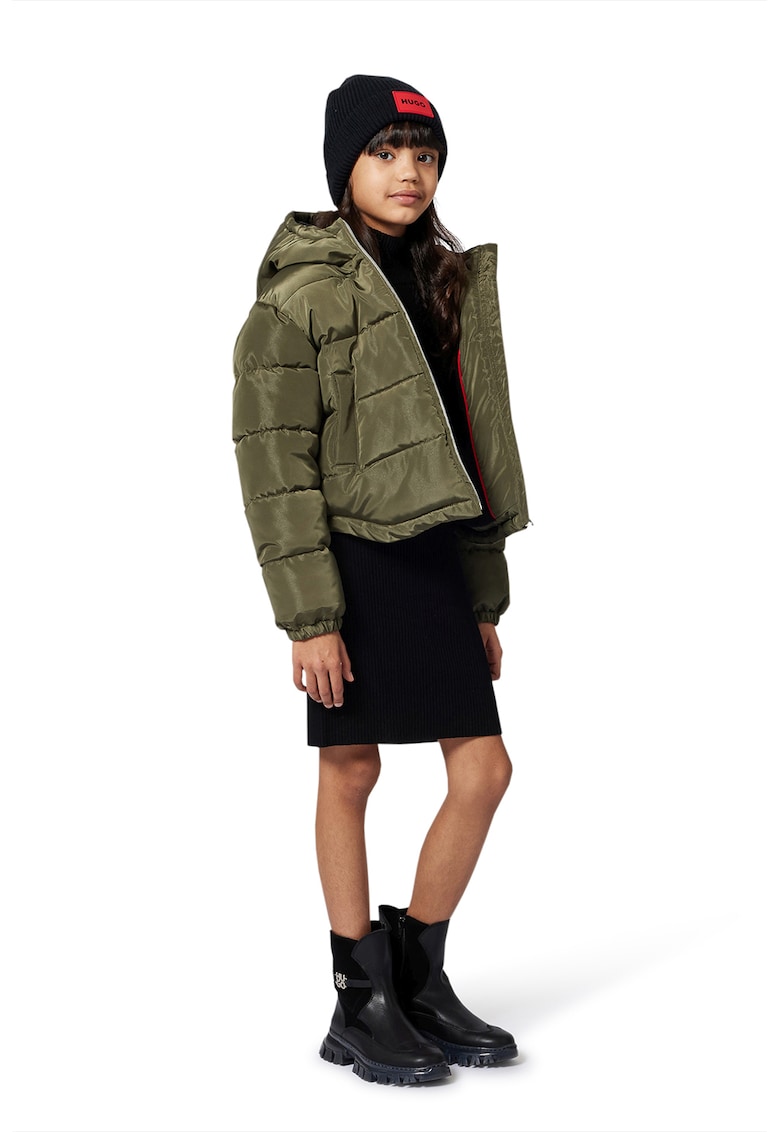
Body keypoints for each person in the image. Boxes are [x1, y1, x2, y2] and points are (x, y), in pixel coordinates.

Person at [232, 74, 530, 1086]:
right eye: (386, 151)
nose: (409, 172)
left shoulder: (446, 281)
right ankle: (358, 1001)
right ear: (345, 167)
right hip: (351, 560)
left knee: (483, 769)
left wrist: (481, 596)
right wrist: (309, 618)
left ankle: (416, 972)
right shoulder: (301, 294)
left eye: (425, 153)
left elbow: (472, 452)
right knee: (352, 769)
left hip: (436, 554)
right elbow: (274, 465)